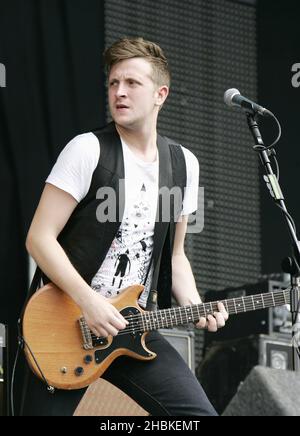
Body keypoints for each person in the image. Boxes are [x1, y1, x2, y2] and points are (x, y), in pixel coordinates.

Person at [21, 37, 228, 416]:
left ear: (160, 94)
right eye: (114, 83)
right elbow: (39, 238)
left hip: (133, 326)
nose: (120, 92)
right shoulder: (87, 150)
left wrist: (196, 303)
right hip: (64, 324)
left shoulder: (184, 165)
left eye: (132, 84)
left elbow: (176, 256)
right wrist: (90, 302)